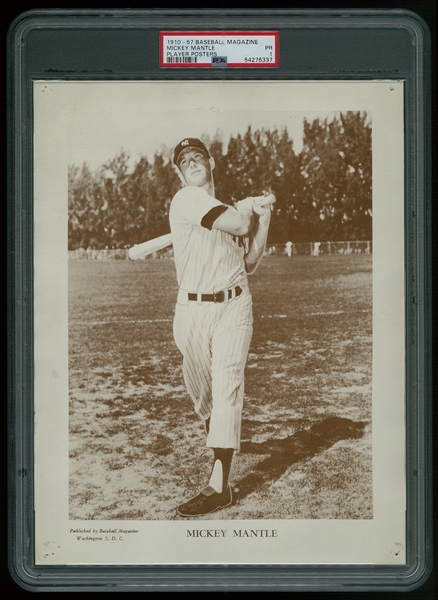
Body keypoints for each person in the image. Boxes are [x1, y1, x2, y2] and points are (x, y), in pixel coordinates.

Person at [169, 137, 272, 517]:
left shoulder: (223, 209)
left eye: (198, 156)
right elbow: (240, 222)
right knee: (204, 396)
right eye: (185, 161)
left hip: (234, 305)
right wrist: (247, 212)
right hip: (192, 311)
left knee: (227, 384)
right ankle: (220, 440)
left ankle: (219, 484)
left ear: (211, 162)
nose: (192, 162)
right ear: (180, 173)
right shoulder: (186, 200)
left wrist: (265, 217)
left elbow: (250, 261)